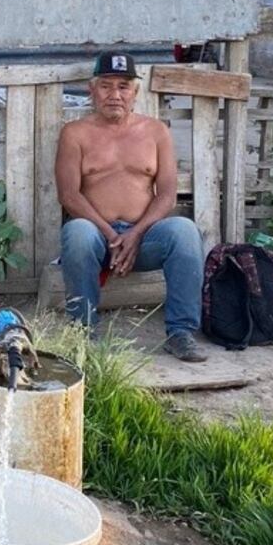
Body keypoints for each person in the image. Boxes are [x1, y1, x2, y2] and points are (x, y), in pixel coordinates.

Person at [54, 52, 207, 362]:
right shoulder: (75, 133)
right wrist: (113, 236)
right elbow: (69, 195)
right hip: (99, 241)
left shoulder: (156, 132)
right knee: (77, 232)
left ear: (135, 92)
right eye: (106, 86)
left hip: (145, 239)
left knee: (184, 231)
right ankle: (83, 332)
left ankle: (181, 333)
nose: (115, 94)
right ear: (92, 90)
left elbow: (167, 195)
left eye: (123, 86)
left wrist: (135, 234)